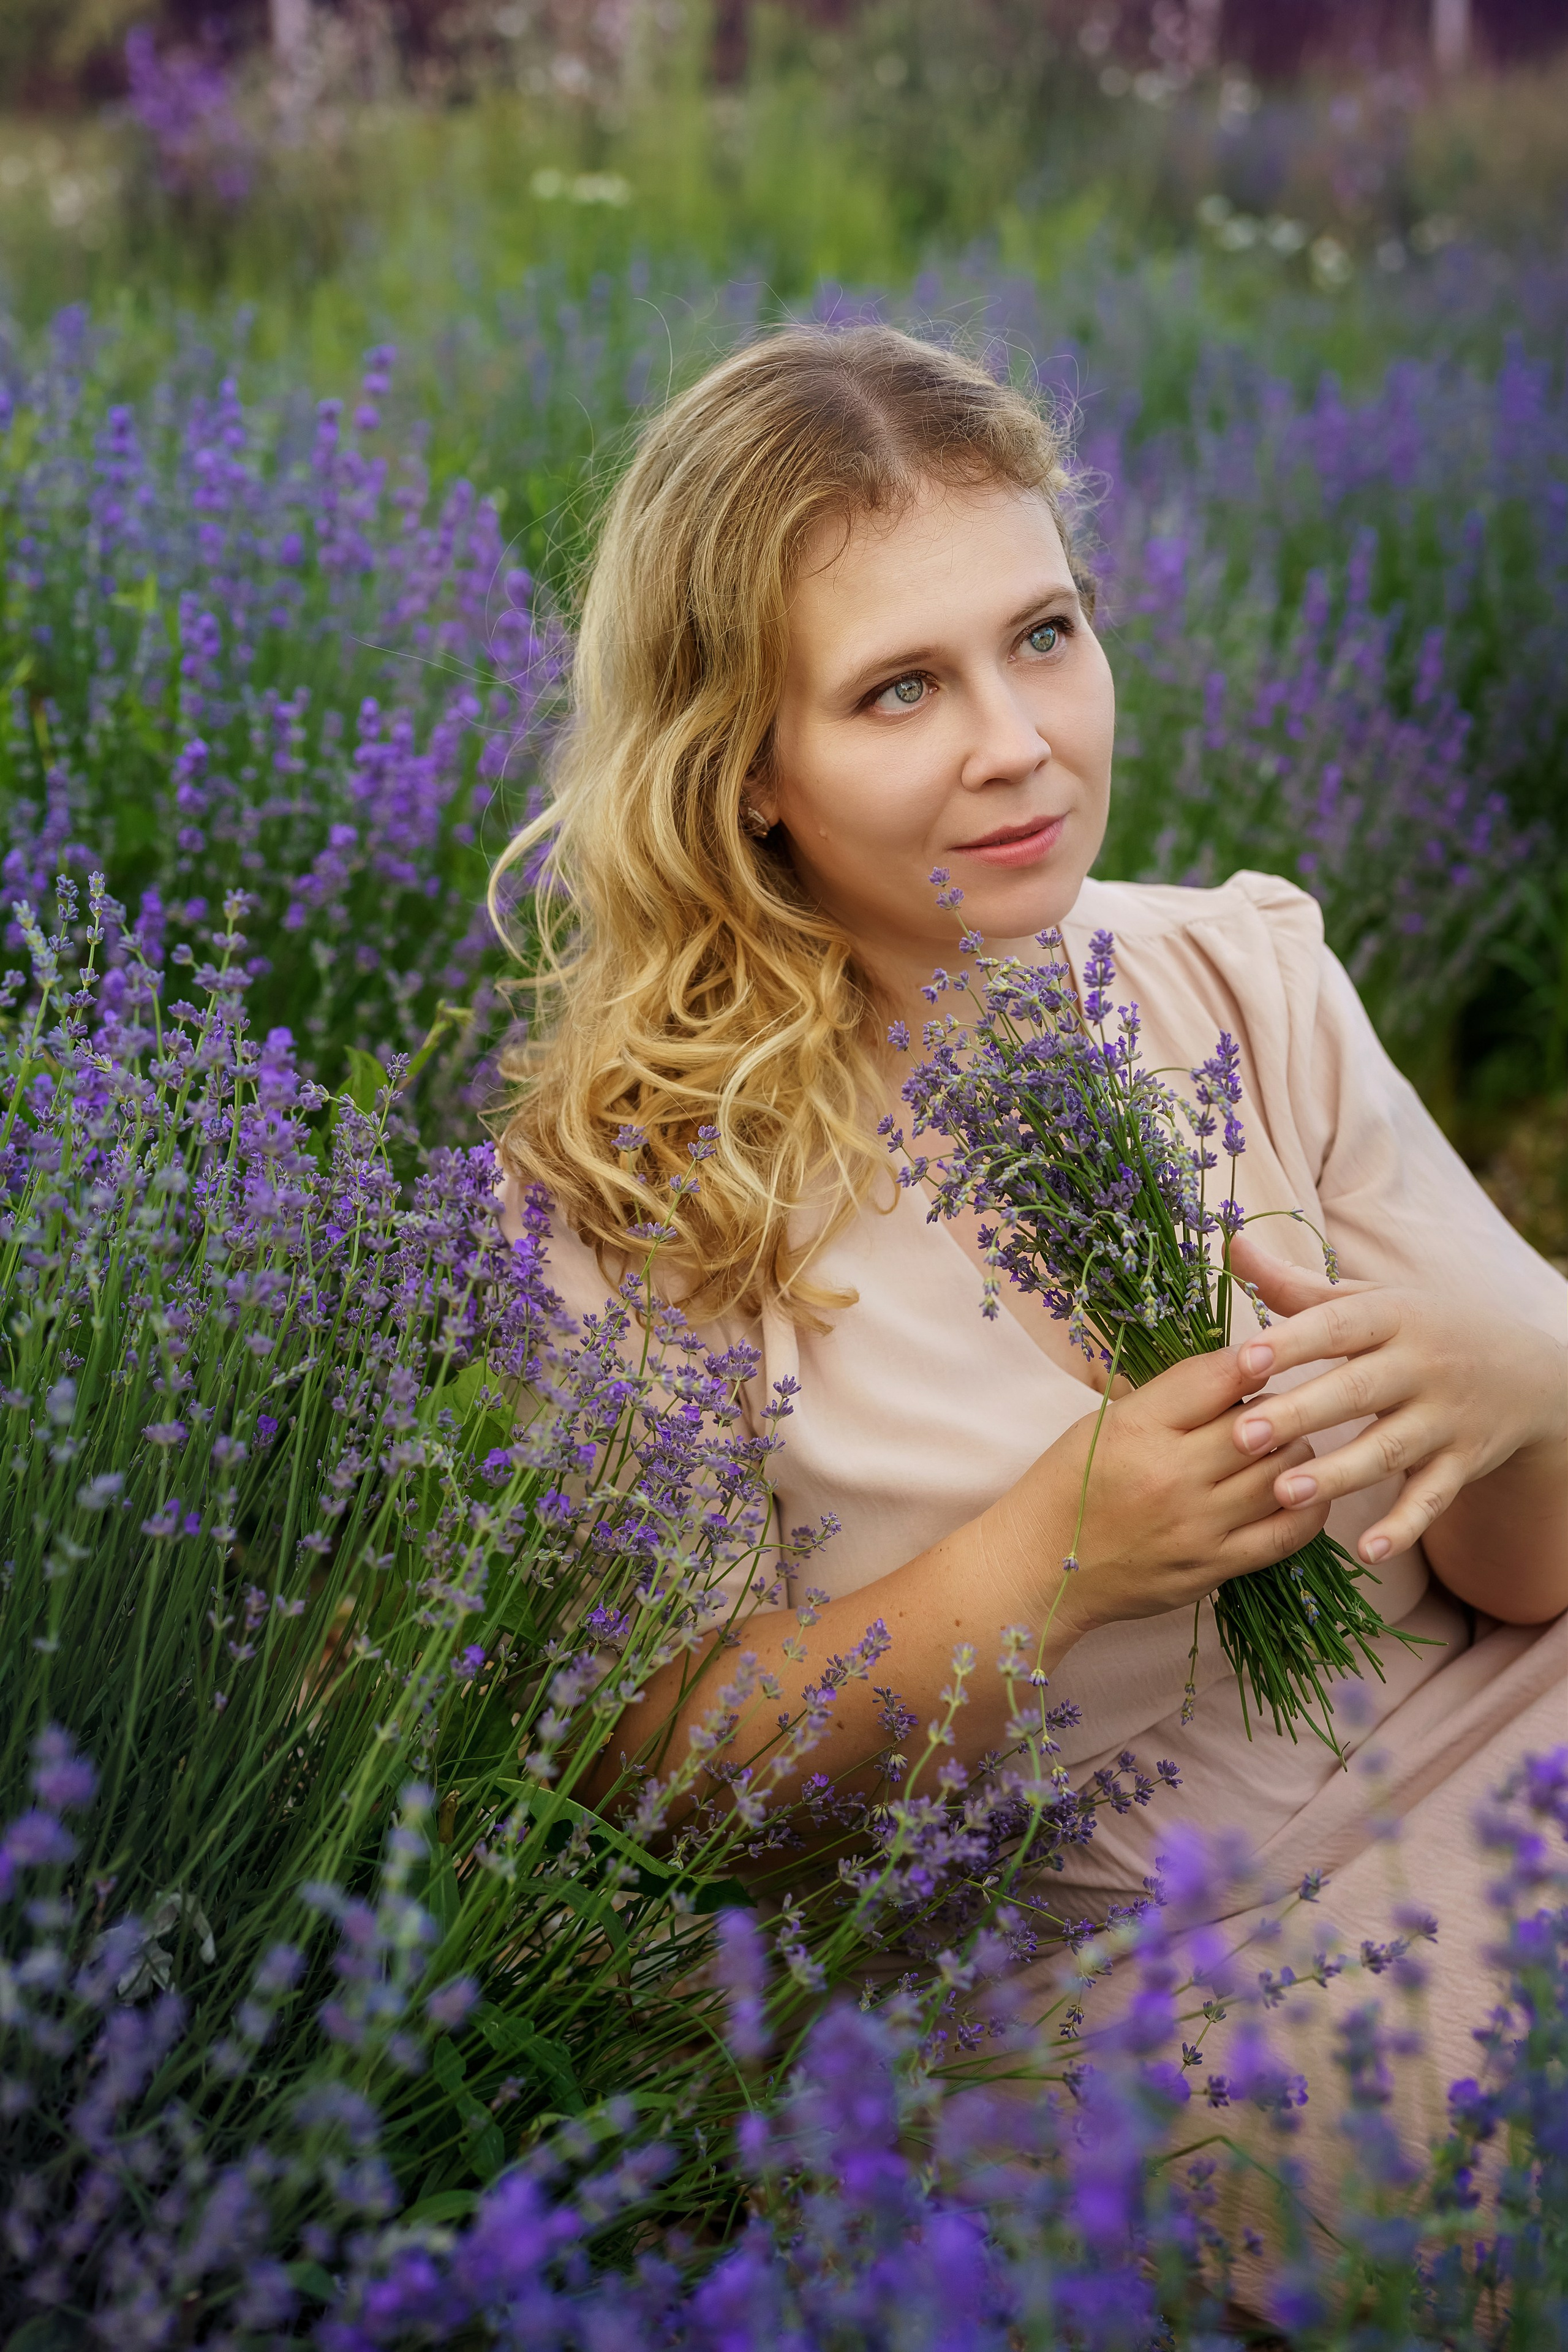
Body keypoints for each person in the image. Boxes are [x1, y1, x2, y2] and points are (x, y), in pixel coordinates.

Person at [494, 323, 1566, 2272]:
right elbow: (651, 1791)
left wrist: (1523, 1381)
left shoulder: (1240, 979)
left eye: (1045, 636)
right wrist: (1055, 1556)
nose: (1018, 741)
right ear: (747, 771)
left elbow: (1524, 1578)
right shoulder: (643, 1199)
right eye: (901, 687)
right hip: (1161, 1963)